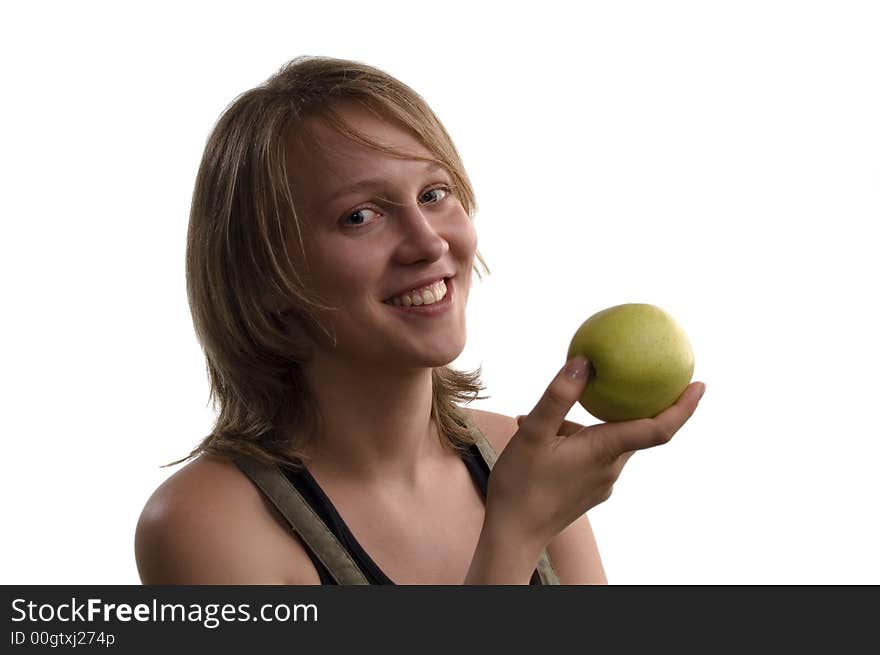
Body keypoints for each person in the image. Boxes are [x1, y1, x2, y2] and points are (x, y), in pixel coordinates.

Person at [134, 55, 706, 585]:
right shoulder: (202, 522)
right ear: (267, 278)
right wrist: (515, 533)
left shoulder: (520, 455)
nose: (428, 242)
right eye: (360, 216)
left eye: (435, 193)